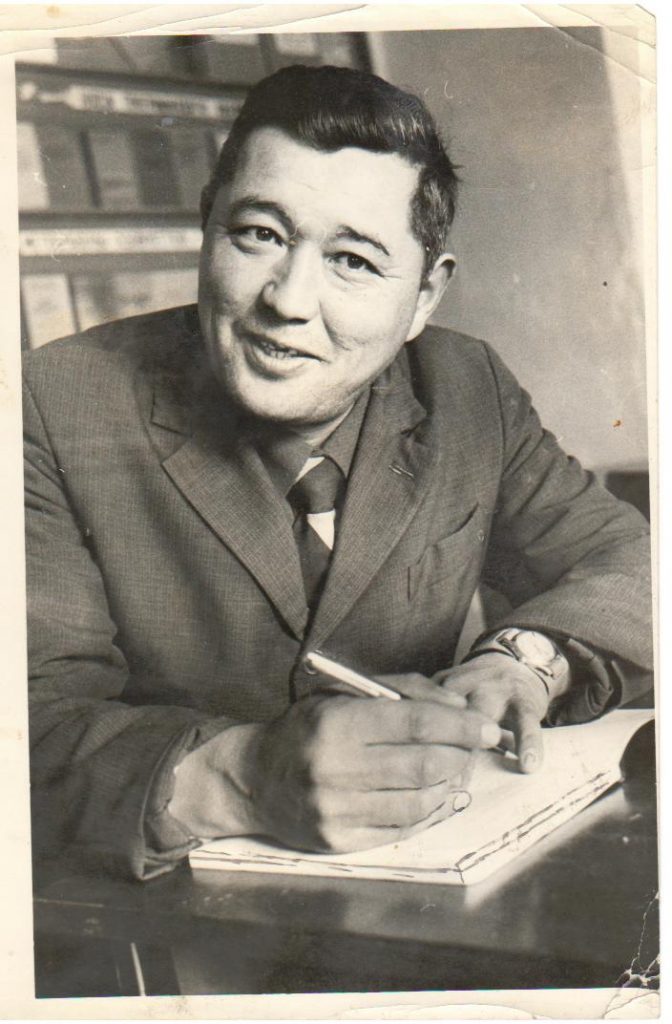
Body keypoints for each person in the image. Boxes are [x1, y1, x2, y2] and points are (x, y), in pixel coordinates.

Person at [24, 64, 652, 881]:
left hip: (427, 889)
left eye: (353, 260)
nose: (288, 300)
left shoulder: (465, 386)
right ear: (207, 226)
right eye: (259, 235)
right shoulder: (52, 403)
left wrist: (524, 660)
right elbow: (24, 725)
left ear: (424, 296)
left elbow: (635, 562)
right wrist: (241, 777)